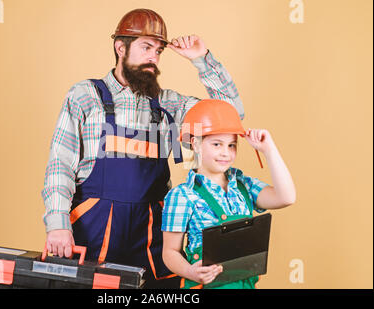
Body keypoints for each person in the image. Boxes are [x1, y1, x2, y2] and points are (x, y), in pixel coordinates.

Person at [41, 8, 245, 288]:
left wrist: (202, 60)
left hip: (152, 238)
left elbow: (230, 115)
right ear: (120, 47)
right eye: (146, 47)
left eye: (159, 51)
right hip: (94, 233)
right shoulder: (85, 96)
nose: (154, 57)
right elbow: (60, 166)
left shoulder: (167, 105)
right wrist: (58, 225)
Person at [161, 99, 296, 289]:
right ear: (196, 144)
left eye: (232, 145)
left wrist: (269, 149)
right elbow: (170, 252)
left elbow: (286, 197)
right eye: (217, 144)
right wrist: (191, 271)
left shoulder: (244, 187)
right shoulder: (182, 196)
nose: (226, 153)